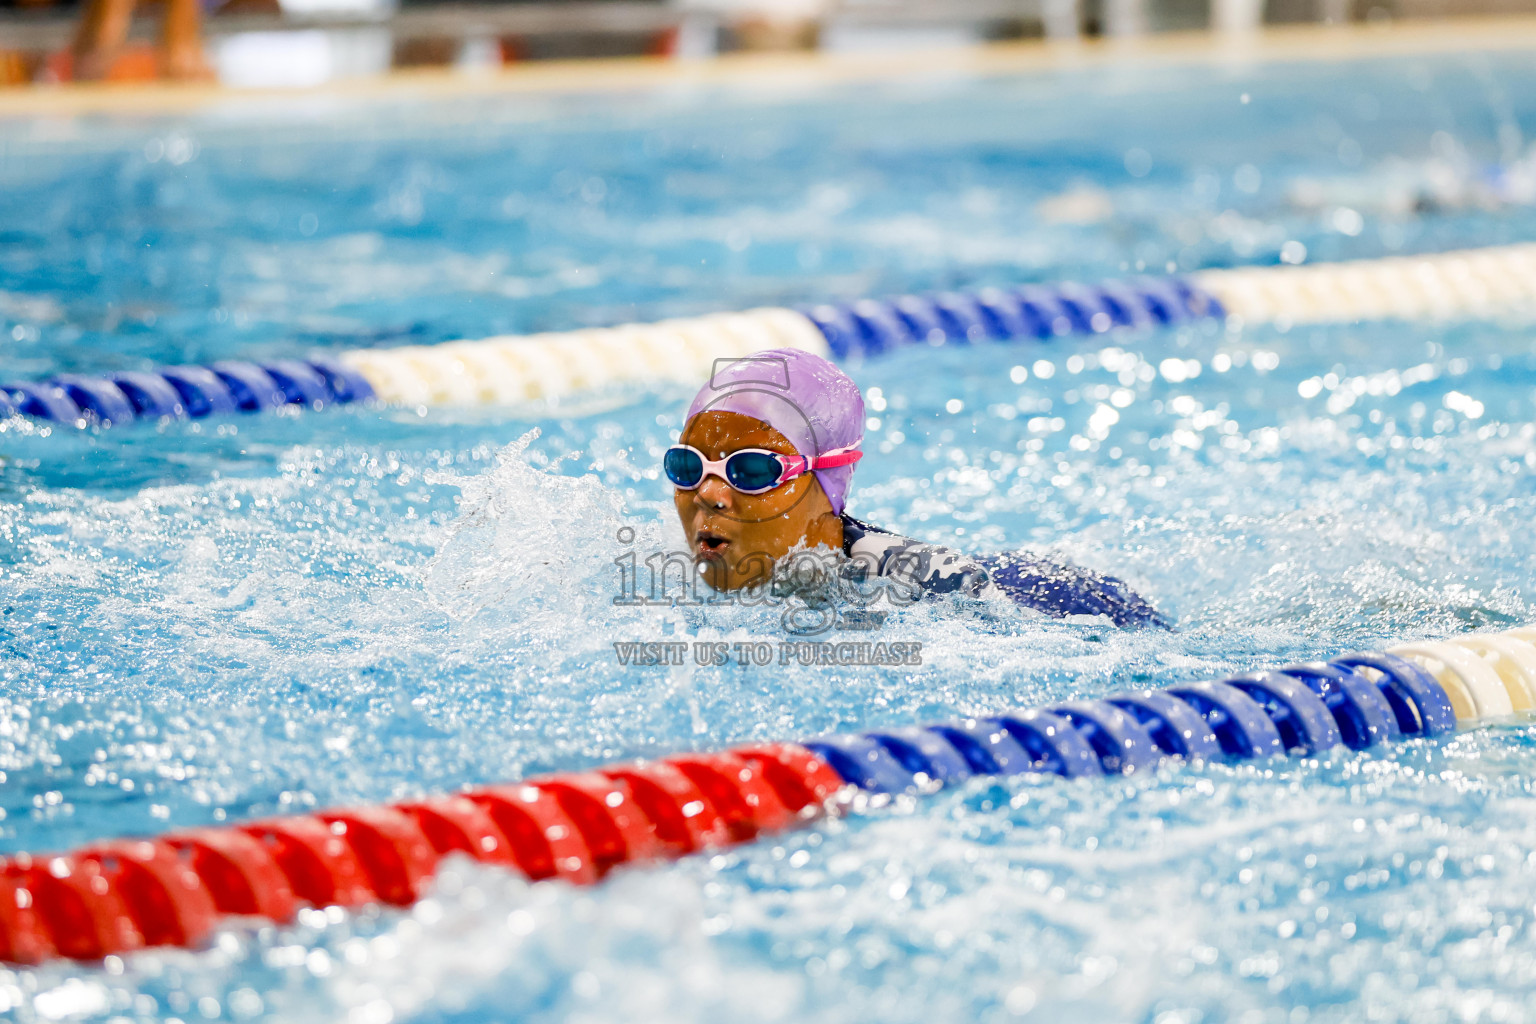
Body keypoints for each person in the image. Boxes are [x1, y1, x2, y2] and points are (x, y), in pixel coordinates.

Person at [667, 348, 1170, 628]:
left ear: (827, 484)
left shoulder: (924, 590)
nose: (710, 494)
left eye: (752, 471)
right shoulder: (655, 575)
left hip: (1055, 595)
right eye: (688, 467)